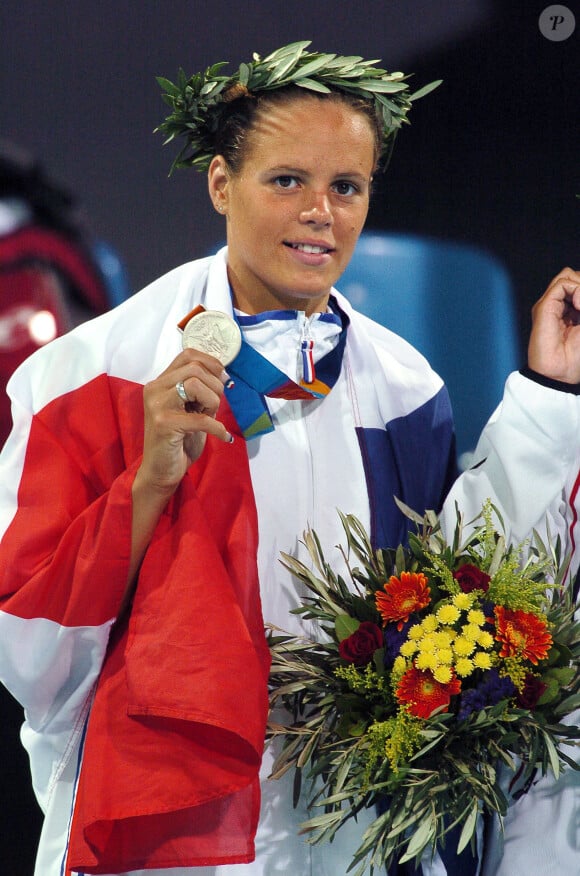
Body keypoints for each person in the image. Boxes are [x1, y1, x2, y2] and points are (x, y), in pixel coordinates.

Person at [0, 40, 578, 876]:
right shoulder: (93, 374)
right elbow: (24, 639)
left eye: (347, 187)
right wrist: (148, 481)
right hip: (175, 835)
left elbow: (471, 593)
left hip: (346, 829)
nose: (321, 212)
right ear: (220, 184)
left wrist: (549, 392)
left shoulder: (404, 385)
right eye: (287, 181)